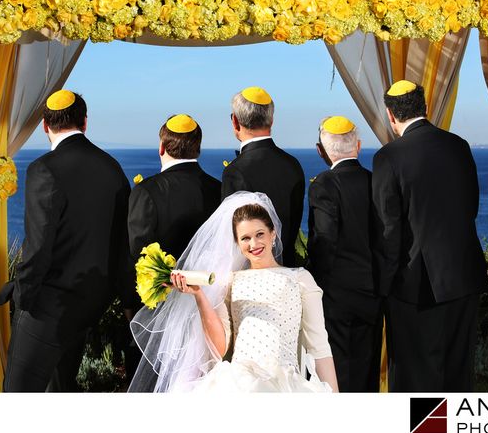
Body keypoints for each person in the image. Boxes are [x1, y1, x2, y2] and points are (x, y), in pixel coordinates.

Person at [129, 192, 339, 392]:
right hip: (236, 382)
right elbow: (220, 348)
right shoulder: (230, 282)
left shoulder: (300, 278)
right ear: (237, 243)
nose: (254, 244)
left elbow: (319, 346)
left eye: (259, 234)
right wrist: (199, 295)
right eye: (245, 238)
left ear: (272, 233)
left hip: (284, 383)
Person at [0, 89, 131, 392]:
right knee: (62, 389)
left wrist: (23, 297)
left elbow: (38, 246)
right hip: (89, 306)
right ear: (84, 121)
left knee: (18, 392)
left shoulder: (44, 169)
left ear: (45, 125)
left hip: (48, 308)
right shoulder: (113, 169)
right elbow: (123, 246)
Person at [372, 80, 487, 392]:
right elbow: (471, 206)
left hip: (414, 286)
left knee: (414, 378)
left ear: (390, 115)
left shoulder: (388, 157)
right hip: (463, 276)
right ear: (425, 108)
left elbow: (390, 230)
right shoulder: (459, 145)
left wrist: (383, 286)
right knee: (458, 374)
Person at [126, 113, 221, 388]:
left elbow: (138, 254)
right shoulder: (218, 190)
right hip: (208, 303)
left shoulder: (146, 192)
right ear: (198, 149)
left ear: (162, 148)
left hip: (159, 312)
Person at [307, 116, 383, 392]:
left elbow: (324, 242)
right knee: (368, 368)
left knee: (338, 373)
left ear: (321, 150)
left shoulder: (324, 185)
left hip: (337, 296)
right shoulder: (375, 180)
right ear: (359, 146)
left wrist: (316, 283)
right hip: (374, 292)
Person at [222, 86, 305, 267]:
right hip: (289, 270)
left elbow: (232, 238)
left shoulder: (235, 172)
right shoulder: (293, 165)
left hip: (252, 277)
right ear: (271, 120)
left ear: (235, 121)